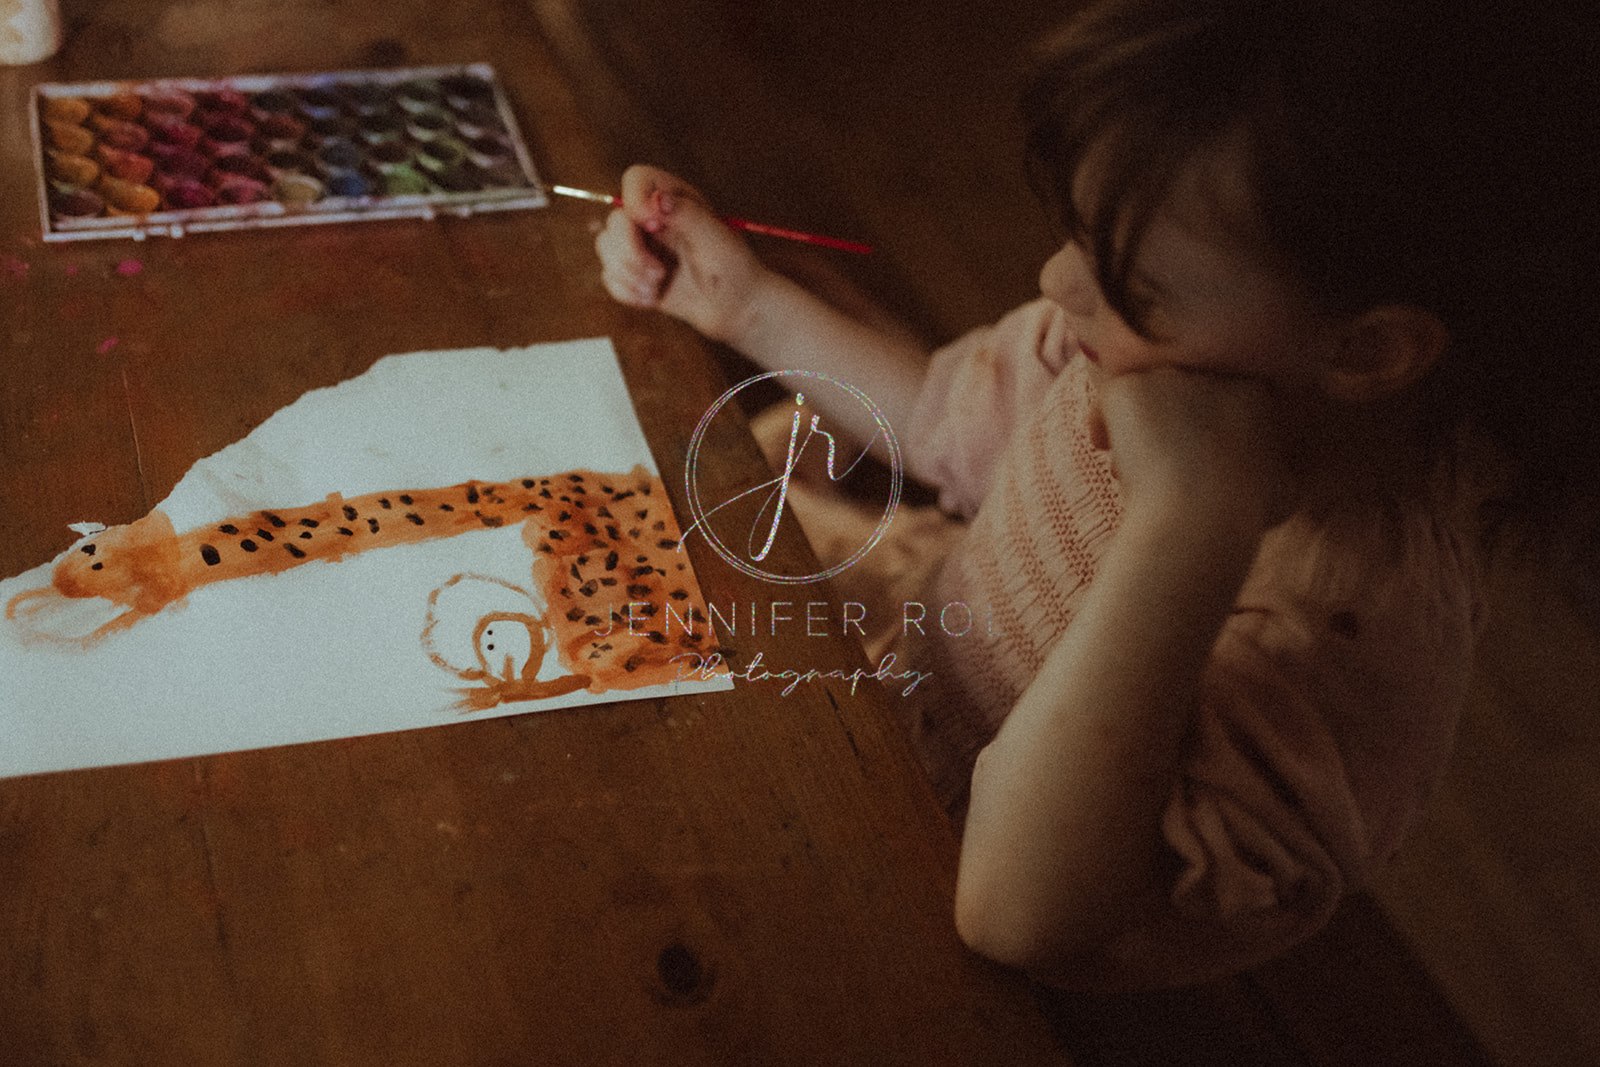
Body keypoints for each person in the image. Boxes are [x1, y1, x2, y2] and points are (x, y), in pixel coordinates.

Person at [592, 0, 1597, 988]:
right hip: (898, 686)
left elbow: (1016, 913)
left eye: (1129, 279)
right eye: (1074, 234)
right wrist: (746, 304)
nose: (1056, 282)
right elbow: (946, 415)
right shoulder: (1126, 352)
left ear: (1368, 348)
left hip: (937, 915)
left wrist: (1186, 526)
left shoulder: (1343, 638)